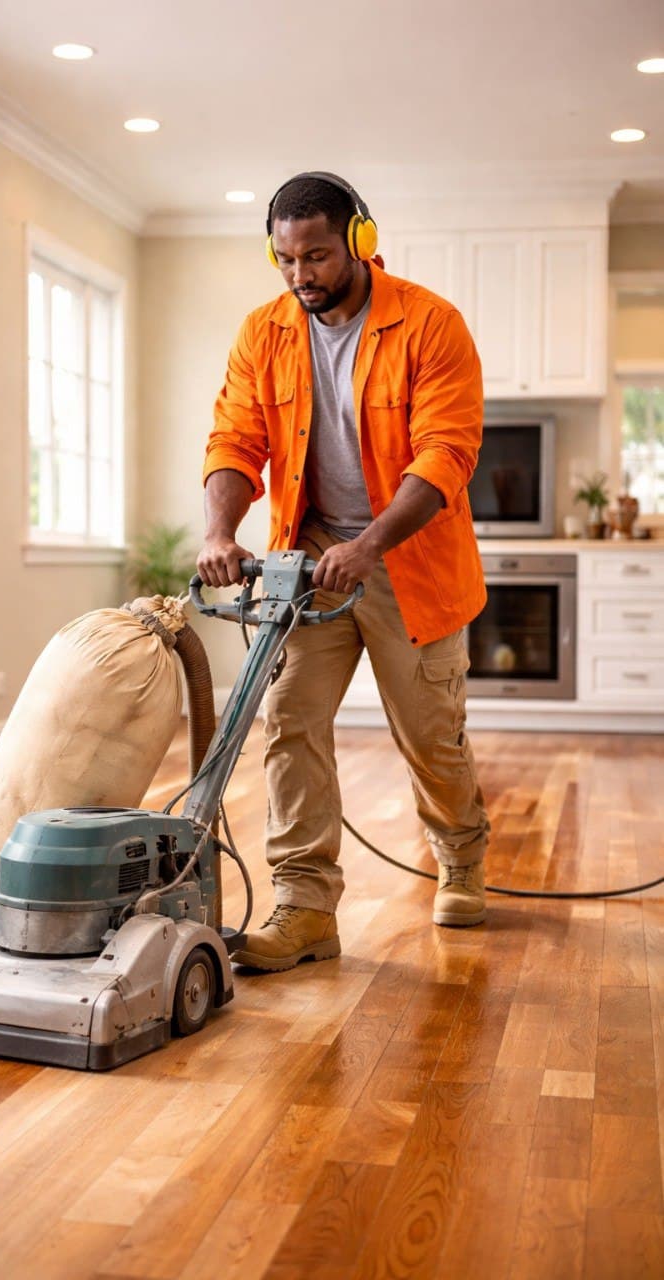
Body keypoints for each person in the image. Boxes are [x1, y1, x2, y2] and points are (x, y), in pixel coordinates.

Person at [196, 171, 490, 971]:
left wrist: (370, 546)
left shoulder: (429, 324)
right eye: (286, 260)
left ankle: (459, 857)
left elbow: (445, 452)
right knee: (289, 723)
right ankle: (304, 907)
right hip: (310, 554)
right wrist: (220, 528)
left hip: (409, 556)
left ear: (358, 241)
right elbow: (235, 437)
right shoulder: (265, 332)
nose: (302, 277)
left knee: (429, 733)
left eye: (318, 256)